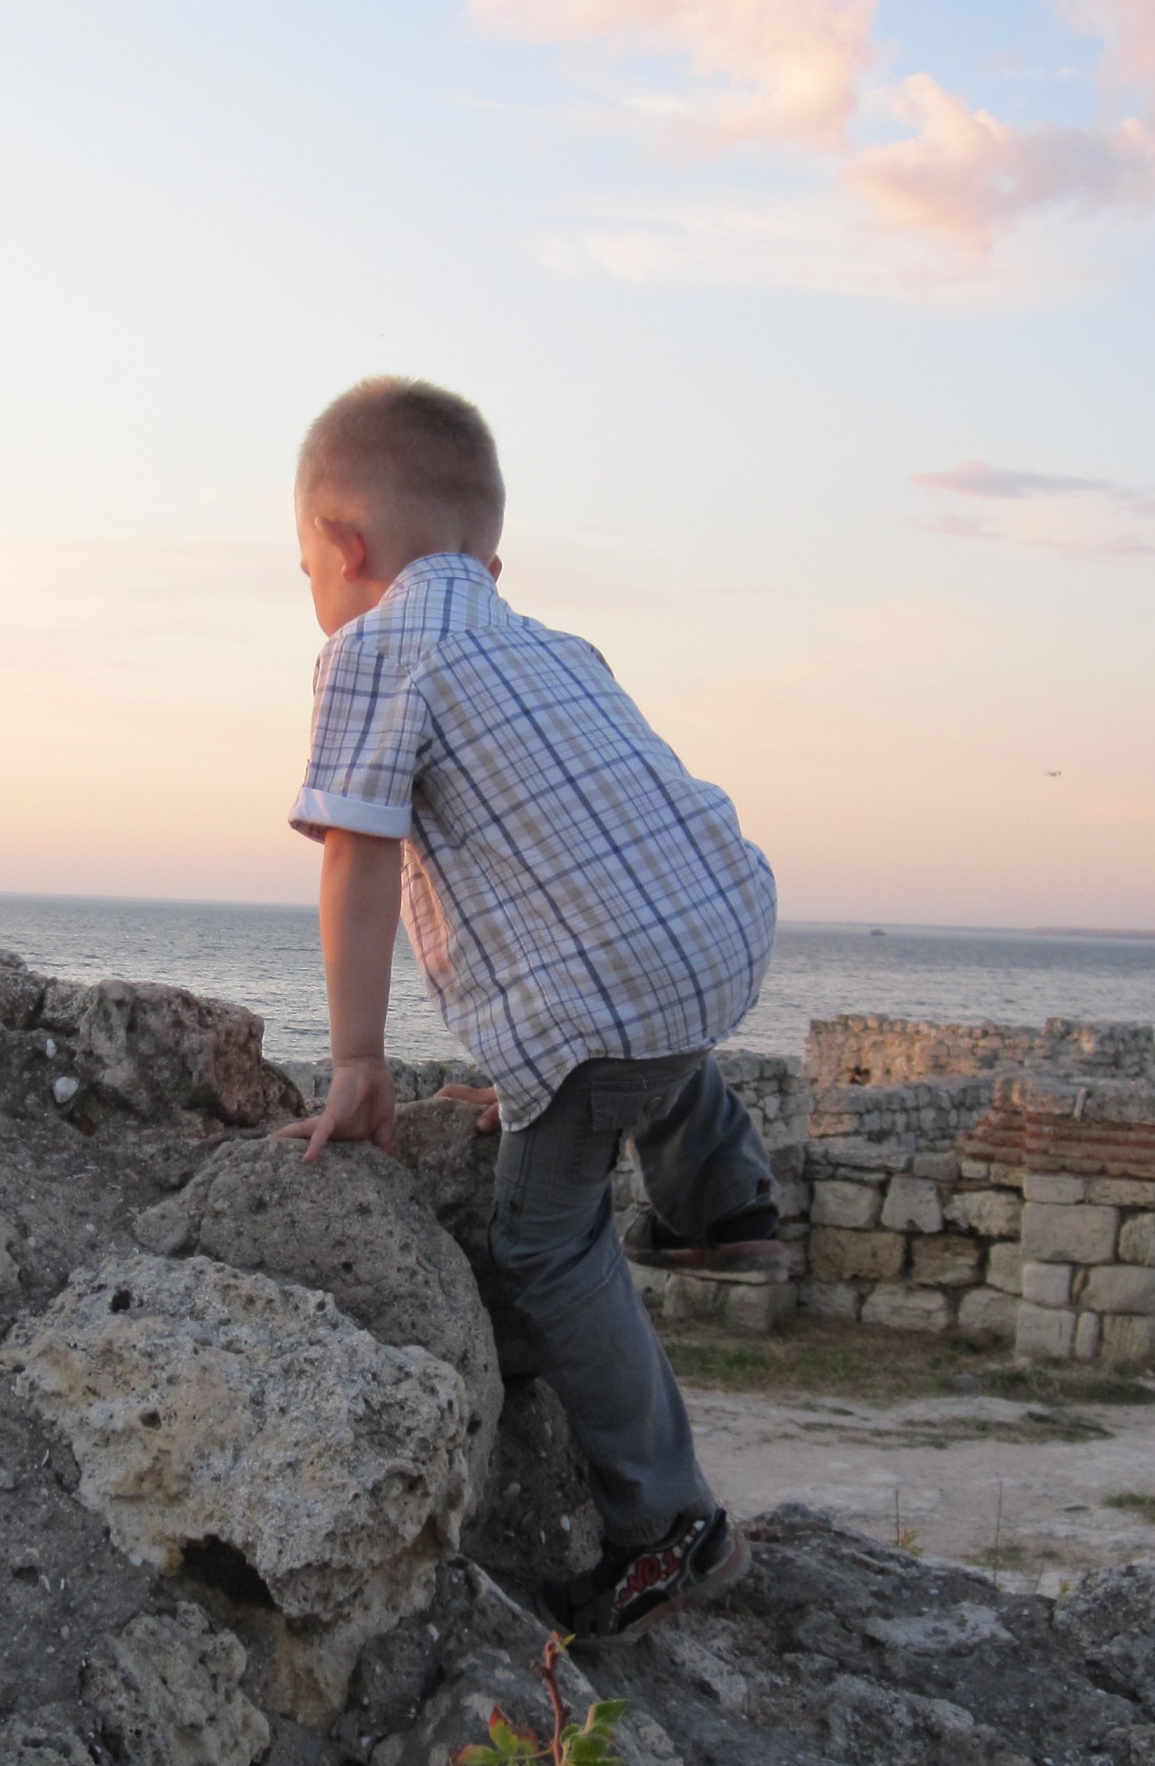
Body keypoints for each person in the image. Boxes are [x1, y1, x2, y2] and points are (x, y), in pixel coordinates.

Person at [272, 375, 778, 1642]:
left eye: (305, 568)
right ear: (488, 563)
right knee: (645, 1016)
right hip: (720, 934)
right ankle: (729, 1203)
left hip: (611, 1003)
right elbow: (590, 871)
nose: (314, 588)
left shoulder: (374, 648)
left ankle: (672, 1527)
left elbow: (358, 858)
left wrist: (355, 1060)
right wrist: (533, 1072)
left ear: (340, 544)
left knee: (542, 1244)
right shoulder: (553, 647)